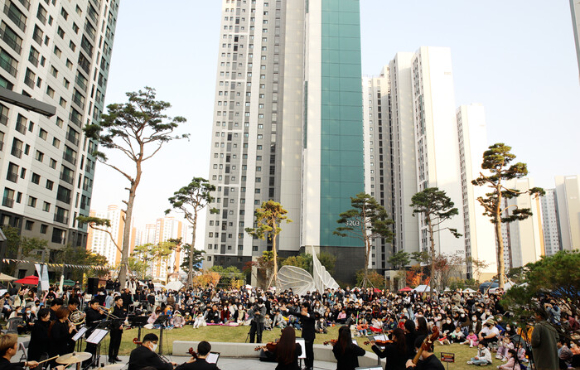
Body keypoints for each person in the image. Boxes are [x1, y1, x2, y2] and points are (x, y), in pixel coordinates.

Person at [109, 296, 127, 363]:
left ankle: (115, 355)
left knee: (118, 343)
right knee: (113, 343)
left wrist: (123, 323)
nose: (121, 301)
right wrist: (118, 325)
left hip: (120, 329)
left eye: (121, 300)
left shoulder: (122, 309)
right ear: (116, 302)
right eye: (120, 300)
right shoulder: (114, 309)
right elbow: (113, 319)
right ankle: (110, 357)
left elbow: (122, 318)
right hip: (114, 328)